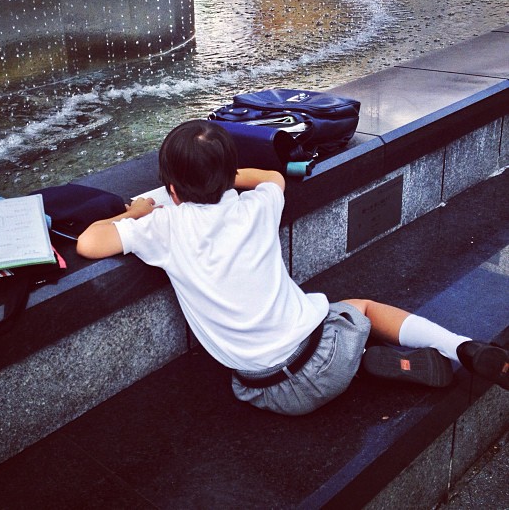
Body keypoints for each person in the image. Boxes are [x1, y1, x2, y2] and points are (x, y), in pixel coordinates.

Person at [77, 120, 508, 415]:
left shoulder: (163, 226)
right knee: (364, 307)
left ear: (171, 187)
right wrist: (230, 176)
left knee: (310, 340)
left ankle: (363, 366)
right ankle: (460, 347)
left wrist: (134, 212)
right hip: (324, 351)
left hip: (269, 392)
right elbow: (273, 177)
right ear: (229, 174)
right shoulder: (258, 206)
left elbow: (89, 242)